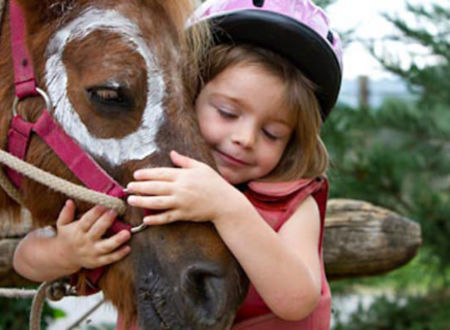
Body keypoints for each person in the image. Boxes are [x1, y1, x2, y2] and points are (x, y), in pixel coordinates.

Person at [13, 0, 343, 328]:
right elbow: (24, 260)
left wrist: (227, 208)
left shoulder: (291, 204)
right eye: (227, 113)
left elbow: (298, 300)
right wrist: (65, 252)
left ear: (291, 145)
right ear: (184, 100)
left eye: (272, 134)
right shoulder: (155, 182)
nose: (245, 138)